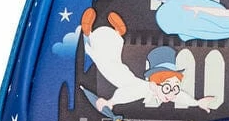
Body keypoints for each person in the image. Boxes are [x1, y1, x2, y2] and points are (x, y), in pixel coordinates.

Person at [80, 9, 213, 112]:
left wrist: (197, 103)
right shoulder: (143, 89)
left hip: (122, 71)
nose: (172, 94)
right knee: (105, 61)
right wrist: (111, 102)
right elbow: (126, 93)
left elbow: (180, 96)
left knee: (110, 57)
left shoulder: (162, 91)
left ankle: (114, 33)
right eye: (168, 88)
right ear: (154, 83)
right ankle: (88, 32)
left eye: (175, 88)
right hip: (118, 74)